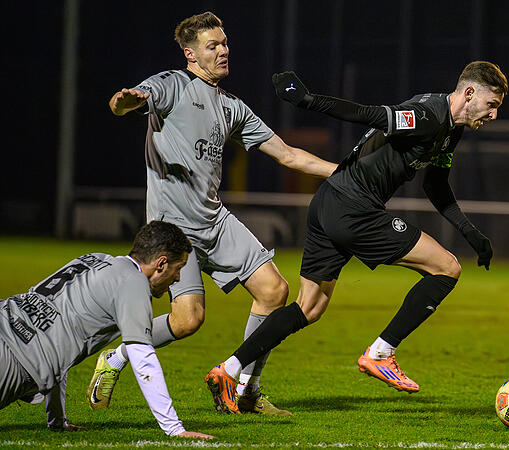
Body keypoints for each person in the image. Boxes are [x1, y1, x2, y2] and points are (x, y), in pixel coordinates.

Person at [199, 61, 507, 413]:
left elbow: (435, 185)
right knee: (446, 268)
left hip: (328, 201)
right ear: (469, 93)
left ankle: (229, 369)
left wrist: (469, 231)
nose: (493, 115)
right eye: (491, 105)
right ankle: (381, 352)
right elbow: (368, 114)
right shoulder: (428, 116)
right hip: (354, 207)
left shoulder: (451, 131)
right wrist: (307, 100)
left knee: (309, 307)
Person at [88, 11, 337, 416]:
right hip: (174, 229)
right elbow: (128, 102)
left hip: (214, 220)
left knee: (274, 290)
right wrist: (124, 102)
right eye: (213, 46)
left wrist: (343, 173)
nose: (223, 51)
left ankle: (246, 390)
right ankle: (116, 357)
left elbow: (289, 155)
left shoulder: (231, 106)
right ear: (191, 54)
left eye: (224, 43)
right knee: (188, 320)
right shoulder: (172, 85)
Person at [0, 221, 213, 439]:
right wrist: (175, 429)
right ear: (161, 264)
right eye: (178, 269)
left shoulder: (94, 259)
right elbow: (143, 359)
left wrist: (57, 420)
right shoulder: (134, 283)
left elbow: (56, 337)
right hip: (14, 357)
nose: (178, 278)